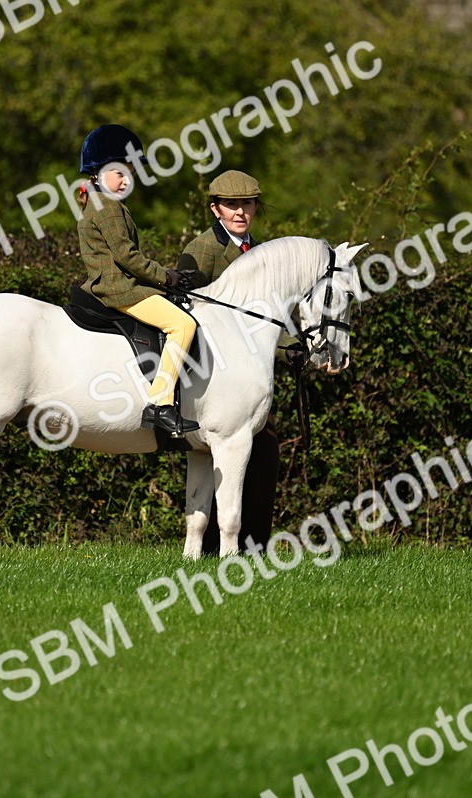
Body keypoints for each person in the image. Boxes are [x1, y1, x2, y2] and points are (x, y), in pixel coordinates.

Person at [176, 170, 304, 554]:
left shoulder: (262, 254)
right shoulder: (201, 250)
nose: (240, 212)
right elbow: (187, 308)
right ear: (216, 209)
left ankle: (253, 546)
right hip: (209, 380)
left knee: (265, 451)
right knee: (240, 450)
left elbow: (272, 319)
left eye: (246, 204)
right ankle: (218, 545)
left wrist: (293, 348)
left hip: (244, 383)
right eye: (231, 205)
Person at [76, 124, 201, 437]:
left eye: (129, 173)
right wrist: (167, 276)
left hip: (114, 285)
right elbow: (127, 257)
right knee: (183, 325)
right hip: (119, 290)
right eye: (119, 172)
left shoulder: (100, 201)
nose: (125, 179)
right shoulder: (108, 206)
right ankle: (160, 404)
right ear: (97, 172)